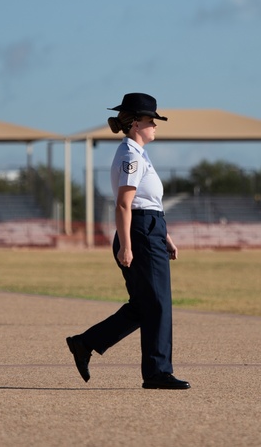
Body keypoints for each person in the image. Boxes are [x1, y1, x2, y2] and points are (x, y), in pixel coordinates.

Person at [66, 93, 190, 390]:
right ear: (136, 124)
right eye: (151, 121)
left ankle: (85, 343)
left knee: (145, 305)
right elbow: (124, 204)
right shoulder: (130, 155)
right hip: (139, 232)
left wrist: (165, 236)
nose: (155, 126)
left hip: (150, 230)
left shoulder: (138, 153)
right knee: (157, 305)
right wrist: (126, 244)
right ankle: (157, 372)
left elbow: (149, 202)